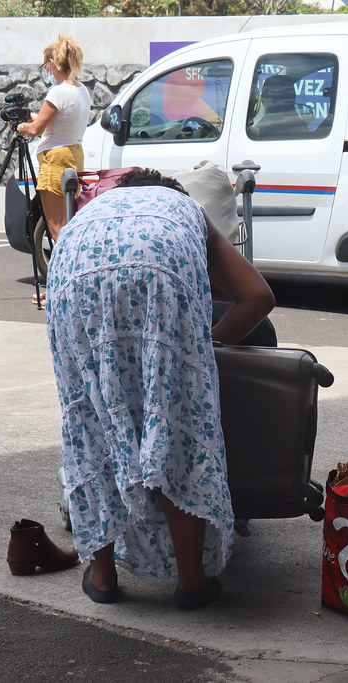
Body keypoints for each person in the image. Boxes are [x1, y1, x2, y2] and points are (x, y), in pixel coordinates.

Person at [45, 168, 275, 609]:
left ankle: (103, 577)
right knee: (175, 426)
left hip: (72, 276)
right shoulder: (184, 209)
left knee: (93, 421)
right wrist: (205, 350)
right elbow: (257, 297)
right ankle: (192, 583)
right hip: (159, 274)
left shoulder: (92, 213)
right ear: (173, 192)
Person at [15, 34, 91, 290]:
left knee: (58, 231)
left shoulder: (57, 92)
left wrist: (20, 126)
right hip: (73, 156)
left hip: (54, 161)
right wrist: (33, 121)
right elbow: (57, 121)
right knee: (70, 225)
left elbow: (36, 130)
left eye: (44, 64)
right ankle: (73, 284)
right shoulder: (81, 91)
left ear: (53, 63)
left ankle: (62, 290)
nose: (44, 69)